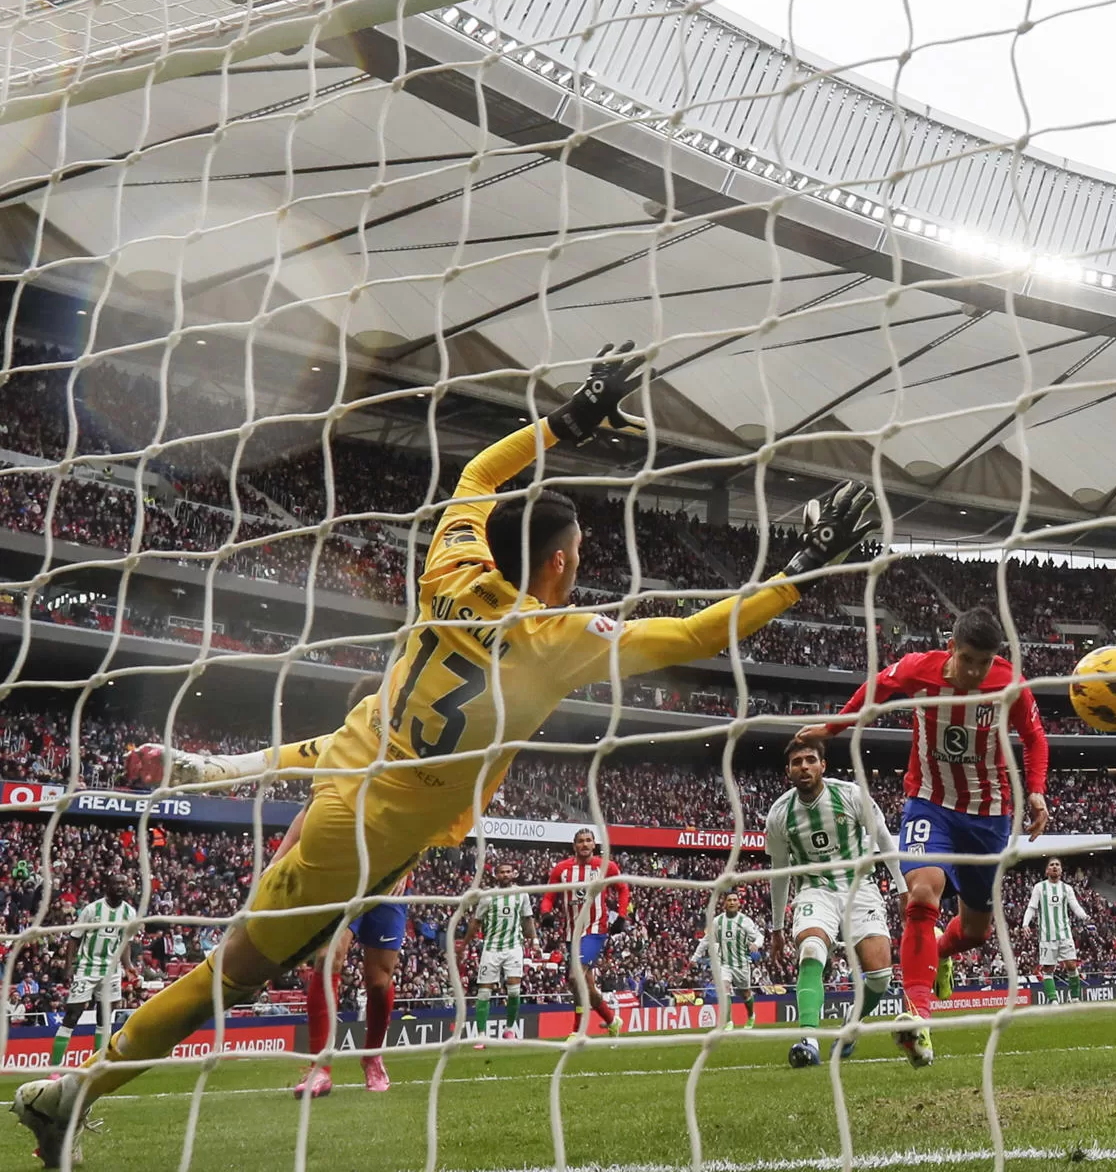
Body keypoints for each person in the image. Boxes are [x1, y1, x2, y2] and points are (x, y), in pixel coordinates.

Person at [13, 342, 878, 1166]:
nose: (580, 568)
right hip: (362, 833)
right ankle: (71, 1094)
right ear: (560, 564)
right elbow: (694, 631)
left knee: (248, 963)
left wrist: (567, 422)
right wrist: (797, 572)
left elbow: (476, 475)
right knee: (228, 977)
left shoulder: (450, 565)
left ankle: (78, 1095)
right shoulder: (556, 639)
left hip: (360, 774)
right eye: (577, 557)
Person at [130, 675, 412, 1099]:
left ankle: (372, 1056)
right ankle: (320, 1066)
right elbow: (310, 811)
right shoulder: (341, 753)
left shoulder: (411, 756)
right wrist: (276, 863)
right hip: (340, 875)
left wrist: (406, 868)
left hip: (388, 881)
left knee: (378, 979)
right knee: (325, 959)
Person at [796, 607, 1049, 1069]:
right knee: (922, 892)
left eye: (985, 662)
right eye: (968, 659)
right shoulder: (919, 669)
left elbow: (1035, 738)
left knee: (976, 932)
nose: (975, 671)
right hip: (929, 803)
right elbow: (876, 691)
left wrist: (1035, 791)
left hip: (989, 817)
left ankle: (939, 946)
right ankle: (917, 1016)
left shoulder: (1011, 685)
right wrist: (833, 729)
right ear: (952, 647)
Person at [763, 735, 899, 1067]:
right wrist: (777, 927)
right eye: (797, 762)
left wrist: (902, 886)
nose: (804, 766)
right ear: (788, 771)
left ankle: (850, 1028)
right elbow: (780, 872)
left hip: (858, 886)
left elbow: (882, 837)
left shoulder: (851, 795)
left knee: (881, 976)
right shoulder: (780, 814)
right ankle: (808, 1041)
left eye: (810, 760)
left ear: (823, 765)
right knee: (811, 950)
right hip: (814, 889)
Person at [542, 829, 631, 1037]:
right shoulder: (562, 869)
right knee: (588, 988)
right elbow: (548, 896)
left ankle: (577, 1031)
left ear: (594, 845)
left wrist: (621, 916)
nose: (584, 844)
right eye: (580, 841)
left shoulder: (606, 866)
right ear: (574, 845)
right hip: (572, 934)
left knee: (575, 977)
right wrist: (546, 913)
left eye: (588, 840)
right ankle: (612, 1020)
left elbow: (623, 889)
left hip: (595, 930)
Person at [48, 875, 139, 1071]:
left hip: (112, 971)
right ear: (108, 886)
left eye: (124, 883)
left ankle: (97, 1066)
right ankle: (54, 1069)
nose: (121, 887)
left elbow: (126, 943)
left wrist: (128, 966)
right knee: (72, 1015)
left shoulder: (130, 913)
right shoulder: (91, 910)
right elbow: (74, 938)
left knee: (105, 1017)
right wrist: (68, 966)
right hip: (86, 969)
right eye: (117, 883)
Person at [460, 859, 535, 1047]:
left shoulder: (522, 895)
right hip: (491, 948)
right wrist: (464, 945)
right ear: (496, 875)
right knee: (484, 993)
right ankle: (481, 1035)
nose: (505, 875)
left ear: (514, 874)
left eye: (508, 871)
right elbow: (476, 922)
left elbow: (527, 919)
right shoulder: (487, 896)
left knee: (514, 990)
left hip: (514, 947)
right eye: (502, 872)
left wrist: (534, 940)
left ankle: (509, 1029)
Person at [691, 892, 763, 1030]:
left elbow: (759, 936)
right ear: (724, 903)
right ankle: (728, 1021)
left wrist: (757, 944)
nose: (732, 902)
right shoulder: (717, 921)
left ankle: (751, 1015)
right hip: (725, 964)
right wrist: (695, 957)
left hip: (742, 964)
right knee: (724, 990)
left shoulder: (745, 921)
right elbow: (706, 940)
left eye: (734, 900)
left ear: (739, 903)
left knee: (746, 993)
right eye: (729, 900)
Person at [1022, 858, 1089, 1005]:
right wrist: (1025, 924)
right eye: (1051, 865)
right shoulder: (1039, 887)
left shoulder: (1067, 888)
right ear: (1046, 870)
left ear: (1061, 870)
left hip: (1064, 934)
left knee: (1071, 965)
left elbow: (1075, 906)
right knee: (1048, 968)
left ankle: (1075, 998)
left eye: (1057, 865)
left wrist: (1084, 917)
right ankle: (1053, 1000)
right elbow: (1032, 907)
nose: (1054, 867)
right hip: (1047, 936)